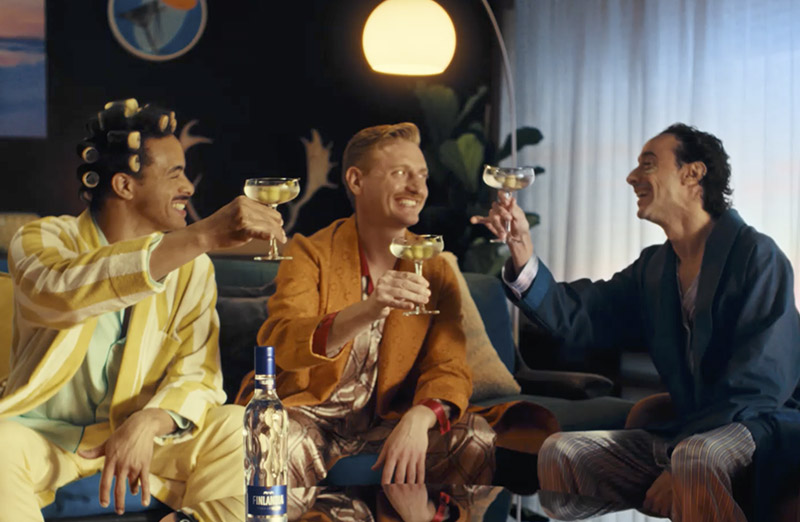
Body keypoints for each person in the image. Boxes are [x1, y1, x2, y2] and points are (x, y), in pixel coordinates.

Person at [472, 123, 800, 521]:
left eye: (648, 164)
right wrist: (521, 248)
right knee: (562, 453)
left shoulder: (757, 255)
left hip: (758, 431)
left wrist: (679, 459)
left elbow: (758, 386)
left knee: (697, 459)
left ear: (693, 173)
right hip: (684, 436)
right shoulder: (654, 269)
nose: (631, 177)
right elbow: (581, 314)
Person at [0, 99, 286, 522]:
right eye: (175, 174)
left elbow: (199, 374)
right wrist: (203, 235)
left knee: (237, 427)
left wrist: (149, 421)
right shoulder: (41, 239)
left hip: (145, 441)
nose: (188, 187)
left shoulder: (193, 269)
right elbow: (58, 293)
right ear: (124, 186)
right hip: (44, 439)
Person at [236, 123, 497, 486]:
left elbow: (449, 366)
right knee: (277, 437)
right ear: (357, 181)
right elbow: (282, 342)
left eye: (422, 175)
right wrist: (370, 309)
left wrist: (418, 418)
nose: (418, 187)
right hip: (309, 413)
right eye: (400, 173)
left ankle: (424, 511)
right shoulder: (309, 252)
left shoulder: (434, 266)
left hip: (386, 422)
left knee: (477, 437)